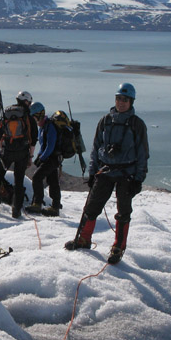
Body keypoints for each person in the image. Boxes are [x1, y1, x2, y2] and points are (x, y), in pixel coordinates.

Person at [64, 83, 149, 264]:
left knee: (123, 211)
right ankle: (83, 239)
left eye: (125, 99)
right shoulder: (105, 121)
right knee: (92, 206)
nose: (121, 102)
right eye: (118, 98)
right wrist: (93, 172)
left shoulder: (137, 124)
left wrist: (138, 179)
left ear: (131, 101)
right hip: (105, 170)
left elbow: (143, 153)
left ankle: (118, 248)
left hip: (127, 173)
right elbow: (96, 148)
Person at [0, 91, 37, 218]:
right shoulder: (28, 118)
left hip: (6, 151)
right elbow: (33, 140)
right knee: (19, 180)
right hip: (22, 153)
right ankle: (16, 209)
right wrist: (30, 157)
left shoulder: (6, 114)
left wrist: (2, 149)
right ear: (26, 102)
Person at [25, 102, 62, 217]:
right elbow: (43, 145)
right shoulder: (43, 127)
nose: (33, 120)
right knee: (53, 181)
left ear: (39, 115)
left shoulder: (49, 126)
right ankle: (55, 207)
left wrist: (42, 158)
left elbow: (50, 146)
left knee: (37, 177)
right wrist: (39, 156)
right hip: (51, 158)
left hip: (52, 158)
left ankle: (37, 204)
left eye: (34, 117)